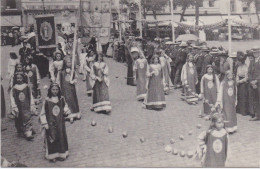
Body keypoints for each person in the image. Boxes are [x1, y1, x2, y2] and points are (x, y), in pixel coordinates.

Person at [40, 83, 70, 162]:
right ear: (50, 90)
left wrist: (66, 111)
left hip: (60, 123)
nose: (55, 91)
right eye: (53, 90)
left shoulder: (61, 99)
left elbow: (65, 107)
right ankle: (52, 155)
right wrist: (45, 123)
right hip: (51, 123)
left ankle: (61, 153)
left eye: (57, 90)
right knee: (52, 137)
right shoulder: (47, 101)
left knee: (60, 136)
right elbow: (42, 113)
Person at [10, 73, 36, 140]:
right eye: (17, 78)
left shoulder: (26, 86)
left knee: (27, 117)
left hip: (26, 106)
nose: (19, 79)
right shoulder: (14, 88)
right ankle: (21, 129)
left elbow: (30, 96)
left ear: (23, 78)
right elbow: (12, 97)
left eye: (20, 78)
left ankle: (28, 131)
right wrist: (14, 106)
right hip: (18, 106)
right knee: (19, 118)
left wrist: (32, 104)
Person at [59, 57, 81, 123]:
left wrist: (73, 81)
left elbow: (76, 79)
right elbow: (59, 81)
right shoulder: (61, 72)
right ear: (65, 63)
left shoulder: (72, 71)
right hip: (65, 89)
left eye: (70, 62)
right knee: (67, 100)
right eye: (68, 62)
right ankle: (69, 114)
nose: (70, 63)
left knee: (73, 100)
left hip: (72, 89)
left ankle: (76, 113)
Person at [248, 47, 260, 121]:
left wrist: (256, 80)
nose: (255, 53)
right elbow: (249, 72)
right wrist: (251, 81)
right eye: (254, 52)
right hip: (253, 83)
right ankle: (257, 115)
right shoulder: (252, 61)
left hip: (258, 82)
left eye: (257, 52)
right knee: (255, 99)